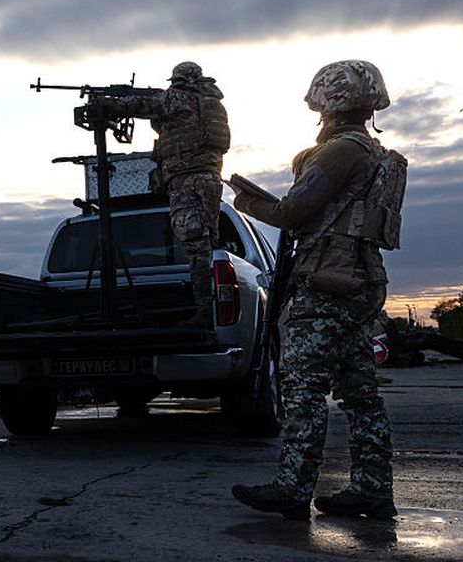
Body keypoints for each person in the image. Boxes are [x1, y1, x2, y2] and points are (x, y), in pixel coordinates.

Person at [230, 60, 403, 521]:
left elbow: (293, 211)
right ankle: (372, 489)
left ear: (329, 100)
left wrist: (243, 199)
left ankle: (292, 486)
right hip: (360, 281)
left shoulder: (342, 151)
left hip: (326, 283)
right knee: (359, 390)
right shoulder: (375, 153)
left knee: (302, 387)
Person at [100, 61, 230, 327]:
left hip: (186, 179)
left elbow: (141, 107)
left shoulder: (177, 98)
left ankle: (204, 312)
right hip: (208, 178)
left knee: (195, 244)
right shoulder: (210, 103)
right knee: (207, 242)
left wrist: (109, 103)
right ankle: (212, 309)